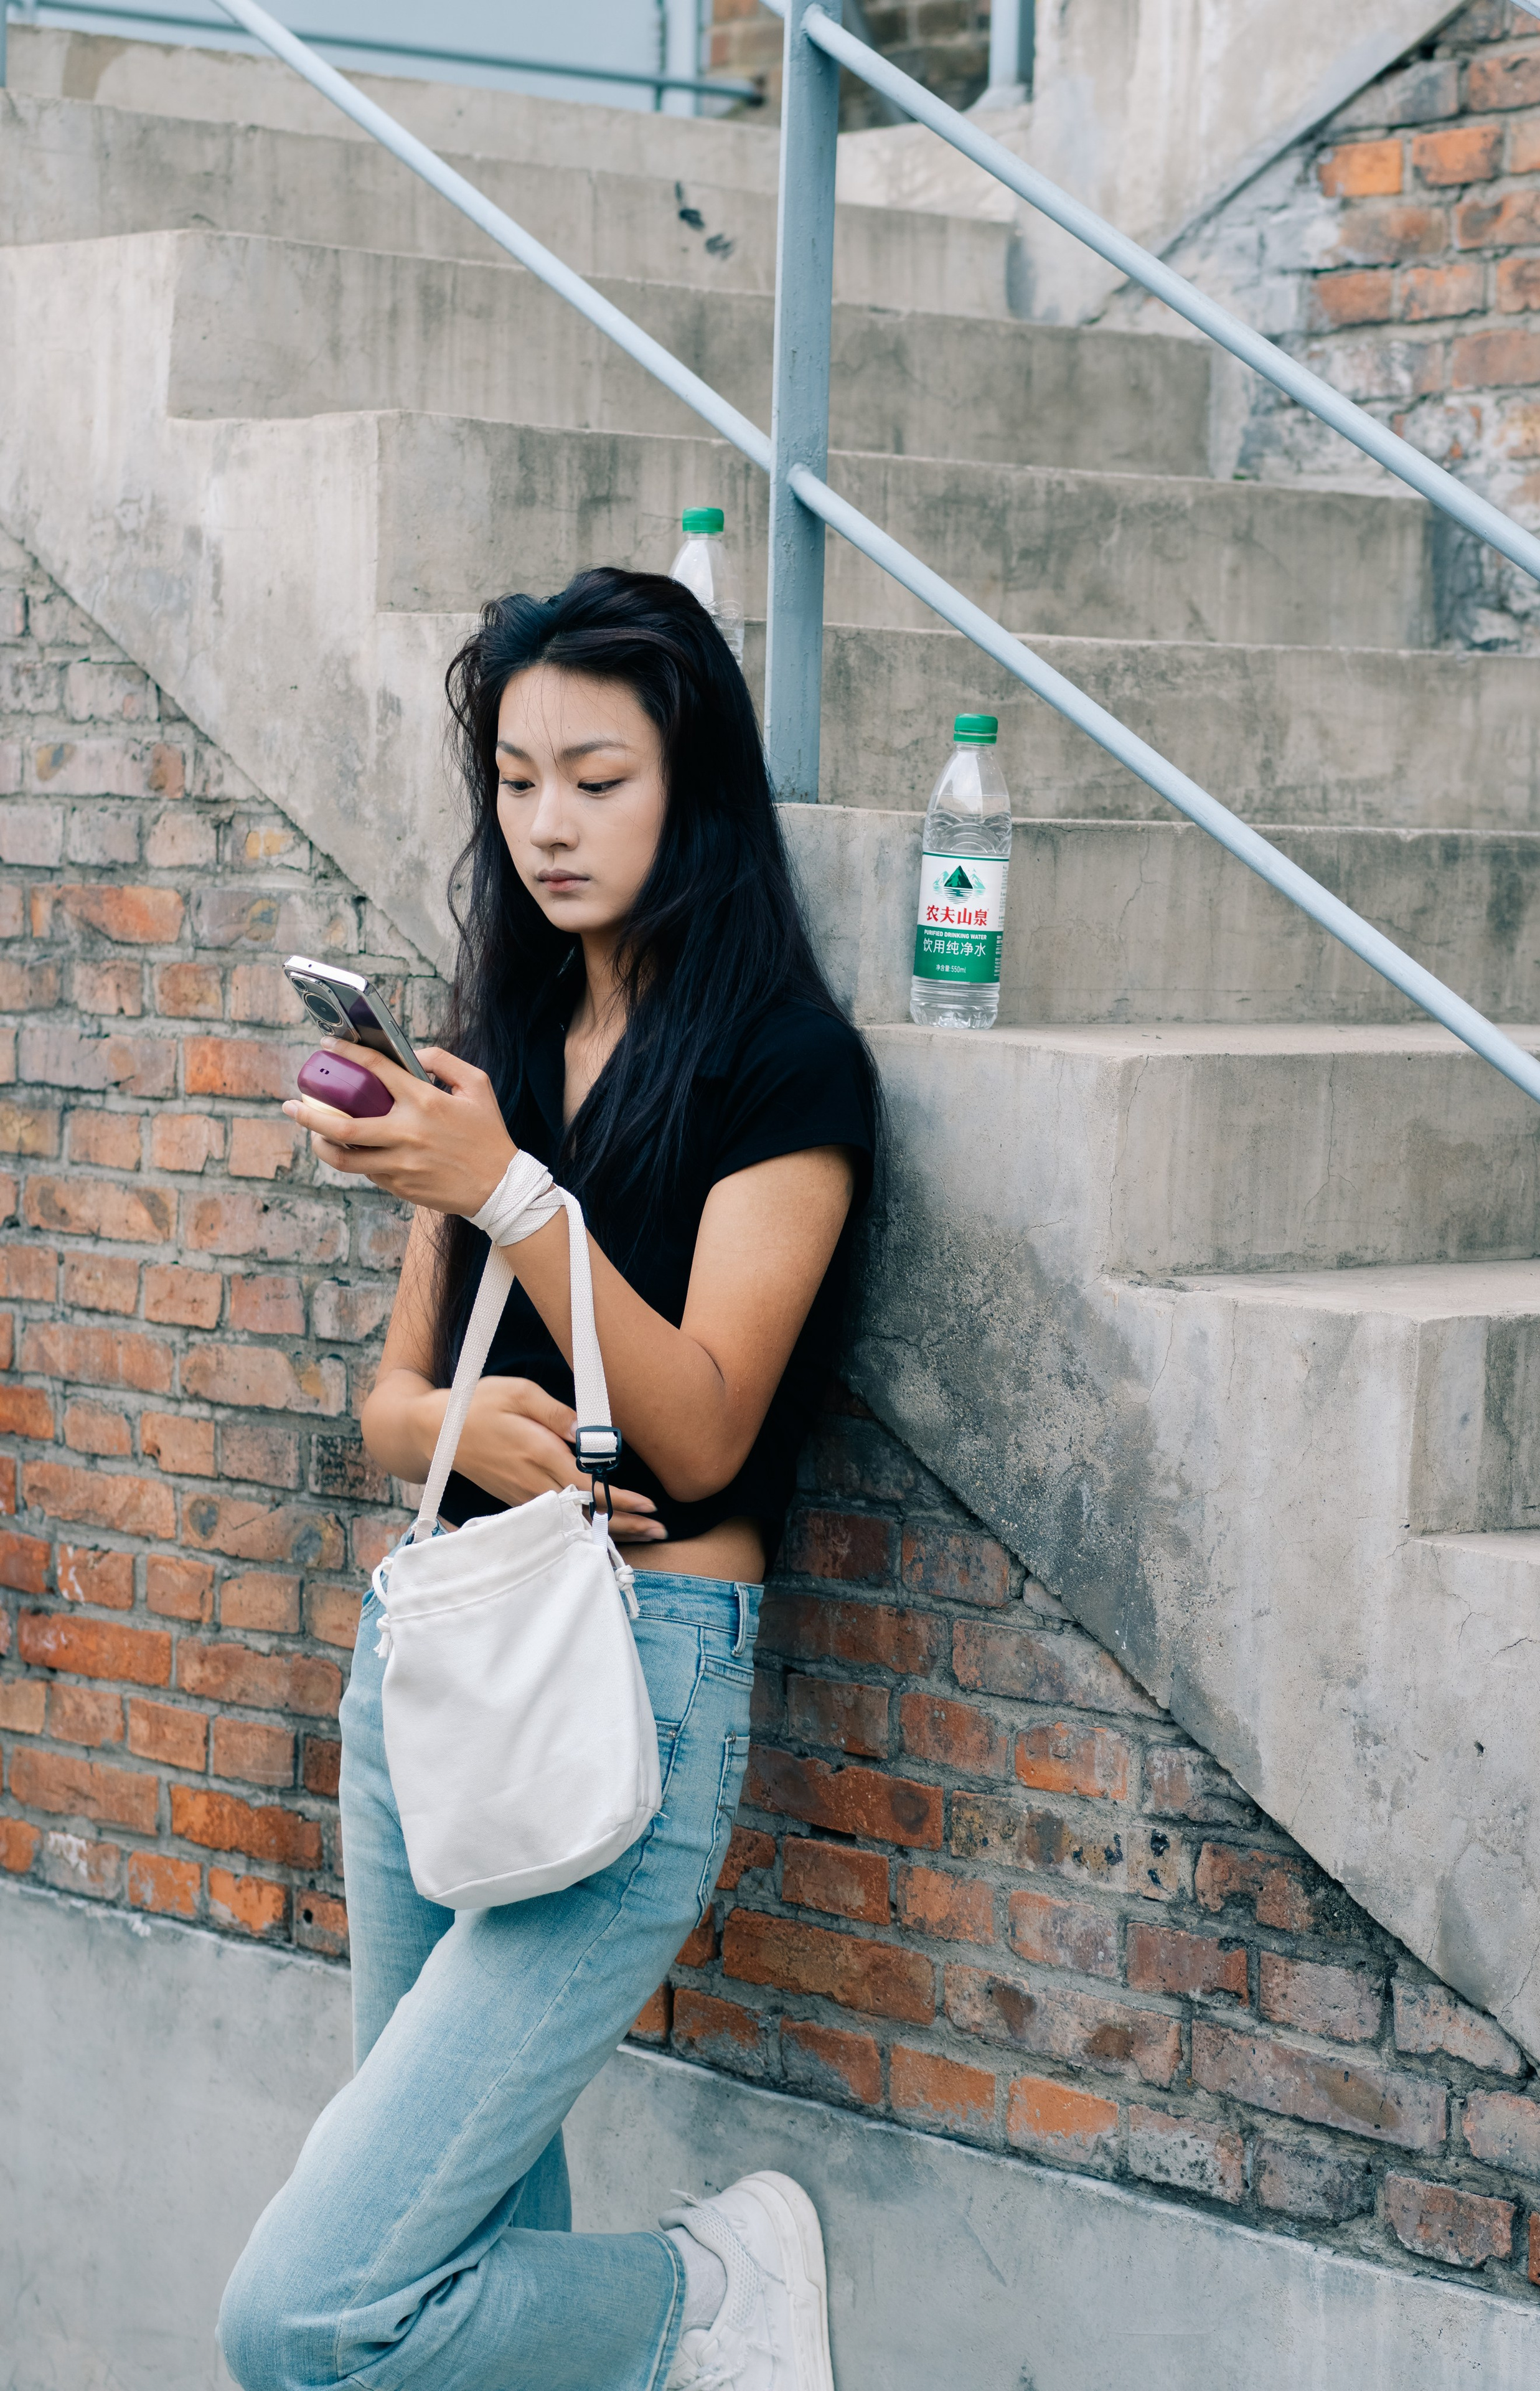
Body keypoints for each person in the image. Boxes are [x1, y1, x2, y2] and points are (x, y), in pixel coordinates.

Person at [216, 568, 878, 2391]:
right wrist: (460, 1431)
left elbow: (710, 1428)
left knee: (316, 2321)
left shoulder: (785, 1069)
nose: (549, 825)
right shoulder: (495, 1041)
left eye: (598, 776)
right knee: (455, 2281)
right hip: (435, 1663)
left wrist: (510, 1191)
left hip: (641, 1678)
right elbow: (386, 1408)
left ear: (694, 789)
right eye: (516, 781)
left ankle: (709, 2299)